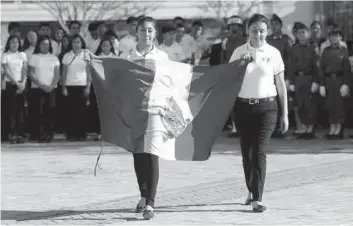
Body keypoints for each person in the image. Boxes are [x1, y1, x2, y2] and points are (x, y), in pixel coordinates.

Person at [229, 14, 288, 212]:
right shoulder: (239, 52)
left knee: (260, 151)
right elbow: (228, 80)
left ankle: (257, 198)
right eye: (254, 30)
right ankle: (251, 189)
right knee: (247, 153)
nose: (258, 34)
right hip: (243, 108)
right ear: (248, 31)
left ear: (267, 31)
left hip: (267, 108)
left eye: (262, 30)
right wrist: (240, 65)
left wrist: (285, 113)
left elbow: (280, 84)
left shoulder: (274, 53)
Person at [119, 16, 169, 220]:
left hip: (155, 110)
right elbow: (117, 79)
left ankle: (150, 202)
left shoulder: (162, 57)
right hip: (134, 110)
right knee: (138, 154)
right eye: (142, 30)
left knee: (152, 153)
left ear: (154, 33)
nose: (146, 34)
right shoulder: (127, 56)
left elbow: (168, 84)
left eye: (150, 30)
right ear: (136, 32)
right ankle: (143, 194)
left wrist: (166, 106)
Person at [287, 22, 320, 139]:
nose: (301, 35)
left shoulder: (312, 48)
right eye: (299, 33)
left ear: (308, 34)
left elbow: (317, 66)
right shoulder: (294, 48)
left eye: (303, 32)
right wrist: (290, 81)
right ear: (296, 35)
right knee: (300, 104)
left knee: (309, 104)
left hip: (309, 78)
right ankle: (304, 127)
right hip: (297, 79)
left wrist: (316, 81)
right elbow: (291, 66)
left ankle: (310, 128)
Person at [319, 28, 351, 139]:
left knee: (339, 105)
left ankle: (339, 128)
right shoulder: (325, 51)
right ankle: (332, 127)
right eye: (332, 36)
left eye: (336, 36)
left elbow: (347, 69)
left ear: (340, 37)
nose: (334, 38)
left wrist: (346, 84)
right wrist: (322, 84)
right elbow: (321, 68)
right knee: (330, 105)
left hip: (339, 80)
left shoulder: (343, 50)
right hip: (328, 81)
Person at [27, 36, 60, 142]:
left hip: (51, 89)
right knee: (38, 112)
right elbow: (31, 73)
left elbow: (57, 74)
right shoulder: (34, 57)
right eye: (43, 44)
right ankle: (38, 134)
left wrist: (50, 86)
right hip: (37, 88)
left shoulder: (54, 57)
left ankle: (49, 134)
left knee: (50, 112)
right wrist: (41, 85)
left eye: (47, 44)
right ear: (39, 45)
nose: (45, 46)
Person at [267, 14, 293, 138]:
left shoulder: (286, 40)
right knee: (271, 101)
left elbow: (291, 59)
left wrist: (288, 78)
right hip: (269, 75)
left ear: (281, 25)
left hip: (282, 74)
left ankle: (282, 128)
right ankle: (273, 127)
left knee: (282, 101)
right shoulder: (268, 39)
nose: (274, 27)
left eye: (276, 24)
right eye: (272, 25)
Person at [61, 34, 91, 141]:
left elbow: (89, 72)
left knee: (82, 111)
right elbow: (64, 73)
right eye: (74, 42)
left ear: (82, 43)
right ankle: (71, 133)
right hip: (69, 85)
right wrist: (63, 87)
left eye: (78, 42)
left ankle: (82, 133)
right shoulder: (67, 55)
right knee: (70, 111)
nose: (76, 44)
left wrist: (88, 86)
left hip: (82, 85)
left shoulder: (86, 54)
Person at [222, 15, 247, 137]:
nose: (234, 29)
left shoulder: (247, 41)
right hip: (230, 74)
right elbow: (223, 59)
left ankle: (245, 126)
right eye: (232, 27)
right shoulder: (225, 42)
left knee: (245, 100)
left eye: (237, 27)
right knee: (232, 102)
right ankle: (235, 127)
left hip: (244, 75)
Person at [1, 35, 28, 144]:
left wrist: (23, 83)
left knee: (20, 110)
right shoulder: (5, 55)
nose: (15, 44)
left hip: (22, 84)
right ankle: (12, 134)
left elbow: (25, 69)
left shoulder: (22, 55)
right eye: (12, 42)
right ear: (9, 43)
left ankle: (20, 133)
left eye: (17, 42)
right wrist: (17, 83)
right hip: (10, 85)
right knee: (11, 110)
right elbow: (6, 71)